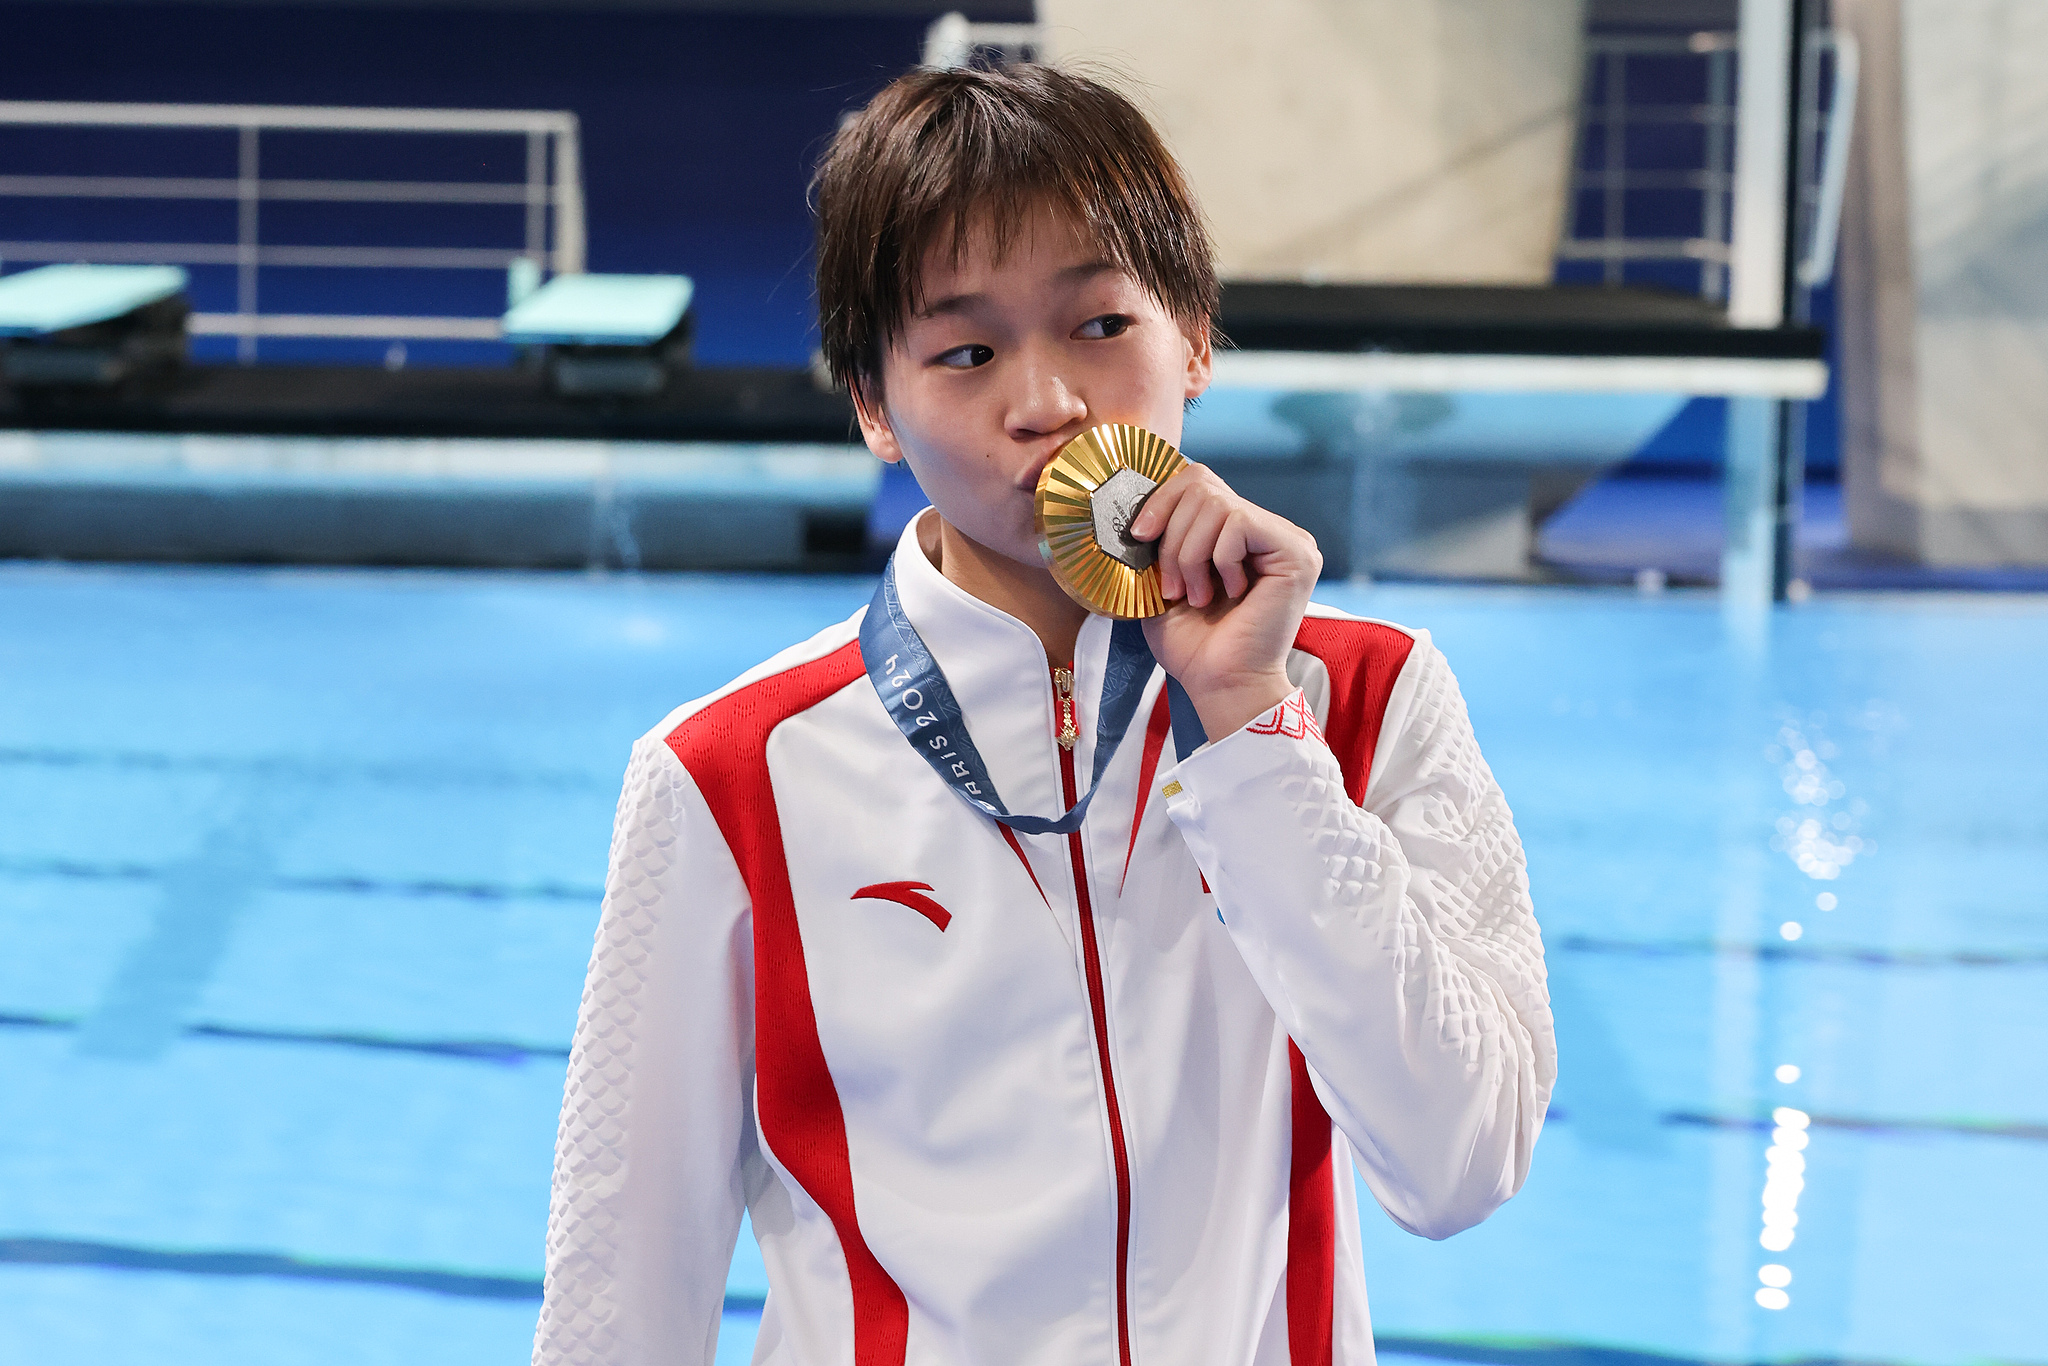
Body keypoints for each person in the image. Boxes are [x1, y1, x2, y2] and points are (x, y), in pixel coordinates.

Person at [534, 63, 1554, 1366]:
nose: (1046, 403)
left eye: (1098, 325)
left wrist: (1250, 733)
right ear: (872, 407)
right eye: (965, 351)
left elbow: (1462, 1160)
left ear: (1193, 335)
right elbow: (620, 1297)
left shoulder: (1362, 699)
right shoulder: (729, 778)